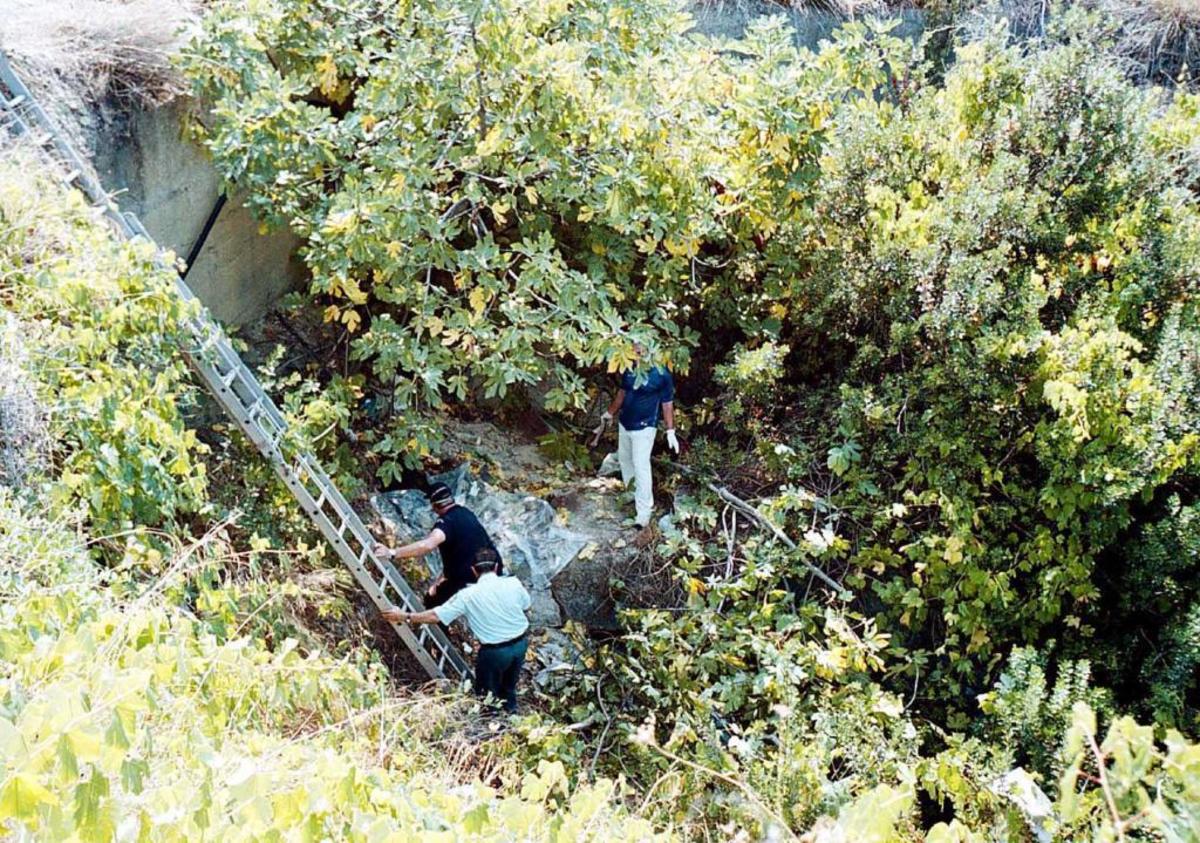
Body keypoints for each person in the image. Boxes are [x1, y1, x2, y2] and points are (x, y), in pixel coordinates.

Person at [382, 549, 530, 712]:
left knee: (487, 696)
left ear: (474, 570)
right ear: (496, 567)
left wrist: (405, 616)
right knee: (509, 687)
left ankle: (493, 725)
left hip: (495, 653)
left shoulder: (467, 596)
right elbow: (525, 605)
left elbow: (435, 615)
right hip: (520, 644)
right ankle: (512, 716)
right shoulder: (513, 583)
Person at [374, 482, 502, 609]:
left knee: (433, 603)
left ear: (434, 505)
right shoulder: (466, 513)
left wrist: (392, 553)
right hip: (493, 569)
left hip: (468, 577)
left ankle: (431, 624)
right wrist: (441, 579)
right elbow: (463, 550)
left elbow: (427, 545)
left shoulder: (446, 522)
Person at [595, 342, 680, 528]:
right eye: (634, 350)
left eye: (639, 350)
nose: (636, 353)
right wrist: (610, 413)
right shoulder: (629, 367)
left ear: (649, 349)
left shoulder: (661, 374)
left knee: (641, 466)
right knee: (625, 459)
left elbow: (667, 404)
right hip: (625, 423)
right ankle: (631, 495)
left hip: (645, 427)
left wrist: (670, 430)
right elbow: (622, 393)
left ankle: (644, 513)